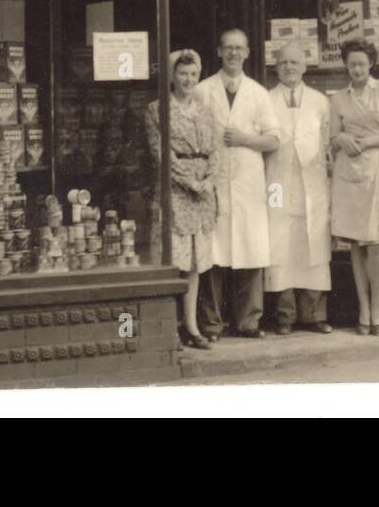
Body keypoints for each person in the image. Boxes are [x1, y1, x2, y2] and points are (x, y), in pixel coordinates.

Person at [196, 29, 281, 339]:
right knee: (213, 254)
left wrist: (246, 139)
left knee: (250, 250)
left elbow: (274, 139)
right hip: (214, 181)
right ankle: (212, 324)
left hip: (247, 181)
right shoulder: (203, 90)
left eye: (239, 48)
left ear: (247, 53)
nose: (233, 53)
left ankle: (248, 322)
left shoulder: (258, 93)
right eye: (228, 48)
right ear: (219, 52)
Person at [143, 49, 220, 350]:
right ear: (172, 76)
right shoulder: (157, 109)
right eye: (183, 73)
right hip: (176, 193)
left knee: (194, 265)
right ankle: (170, 326)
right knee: (173, 261)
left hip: (202, 196)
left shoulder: (205, 110)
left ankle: (192, 326)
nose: (188, 79)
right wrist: (189, 181)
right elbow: (160, 153)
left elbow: (215, 151)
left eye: (193, 74)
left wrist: (208, 182)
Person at [329, 39, 379, 336]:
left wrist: (368, 142)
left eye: (361, 64)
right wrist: (342, 140)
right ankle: (363, 308)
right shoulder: (338, 99)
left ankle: (378, 308)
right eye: (352, 64)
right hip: (350, 172)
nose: (357, 69)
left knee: (376, 242)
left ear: (371, 64)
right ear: (346, 66)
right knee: (356, 243)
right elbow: (333, 136)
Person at [264, 43, 333, 335]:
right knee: (280, 244)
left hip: (312, 182)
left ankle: (314, 314)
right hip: (278, 181)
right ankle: (285, 316)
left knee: (313, 245)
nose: (289, 67)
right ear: (276, 67)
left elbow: (328, 142)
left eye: (294, 62)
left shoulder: (320, 101)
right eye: (283, 63)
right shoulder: (266, 100)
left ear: (304, 67)